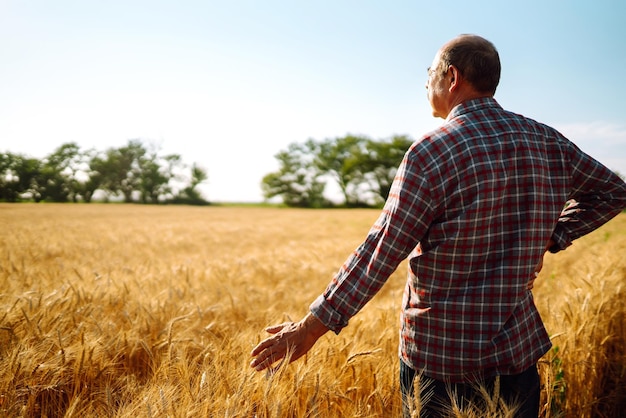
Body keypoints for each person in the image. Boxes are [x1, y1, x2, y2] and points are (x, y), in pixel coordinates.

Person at [250, 34, 626, 417]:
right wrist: (552, 236)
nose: (425, 82)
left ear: (451, 77)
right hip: (517, 353)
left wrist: (309, 328)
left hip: (441, 360)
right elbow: (614, 193)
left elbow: (380, 251)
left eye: (429, 72)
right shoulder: (545, 141)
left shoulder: (432, 151)